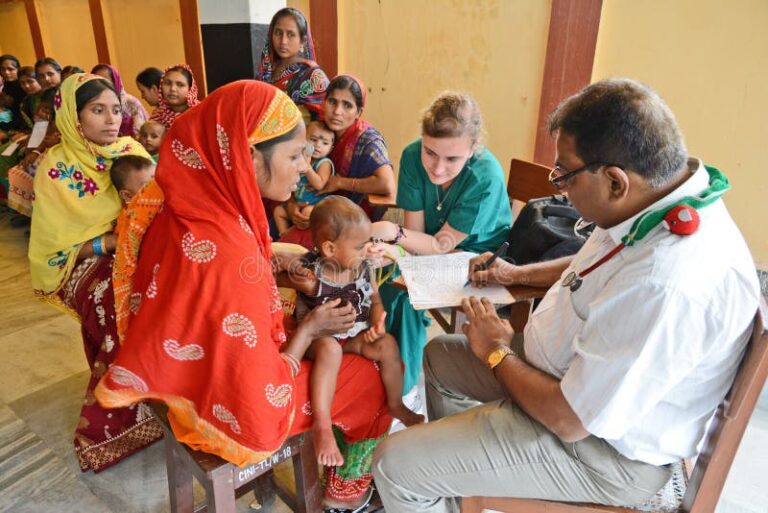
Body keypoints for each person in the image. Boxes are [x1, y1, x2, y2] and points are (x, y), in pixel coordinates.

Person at [372, 78, 762, 512]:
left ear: (614, 181)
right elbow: (595, 262)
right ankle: (452, 482)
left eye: (565, 175)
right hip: (561, 373)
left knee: (393, 464)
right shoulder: (655, 198)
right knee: (440, 357)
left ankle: (434, 479)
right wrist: (516, 273)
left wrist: (498, 352)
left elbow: (570, 419)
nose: (560, 188)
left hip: (600, 452)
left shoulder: (665, 282)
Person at [93, 80, 391, 512]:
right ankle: (346, 492)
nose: (303, 167)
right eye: (294, 156)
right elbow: (259, 387)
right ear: (247, 156)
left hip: (186, 377)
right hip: (228, 411)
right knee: (368, 375)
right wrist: (310, 328)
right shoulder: (229, 252)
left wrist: (270, 264)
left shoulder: (185, 199)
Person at [28, 74, 160, 472]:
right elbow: (57, 249)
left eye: (116, 110)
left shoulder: (131, 150)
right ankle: (116, 421)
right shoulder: (56, 168)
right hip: (84, 259)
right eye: (97, 110)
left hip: (137, 245)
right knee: (116, 301)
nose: (110, 119)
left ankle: (170, 389)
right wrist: (110, 243)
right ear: (74, 116)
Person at [369, 91, 512, 397]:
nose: (436, 168)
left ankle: (403, 387)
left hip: (477, 257)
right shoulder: (412, 156)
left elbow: (442, 246)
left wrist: (392, 234)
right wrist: (395, 249)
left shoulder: (485, 177)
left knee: (406, 291)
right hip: (431, 243)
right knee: (386, 276)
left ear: (473, 149)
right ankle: (378, 371)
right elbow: (416, 235)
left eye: (452, 159)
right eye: (430, 152)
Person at [289, 195, 423, 466]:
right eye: (360, 246)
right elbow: (282, 270)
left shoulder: (362, 267)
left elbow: (375, 300)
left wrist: (377, 323)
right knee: (329, 349)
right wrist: (287, 265)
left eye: (368, 243)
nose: (367, 251)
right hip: (319, 338)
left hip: (354, 335)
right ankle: (322, 425)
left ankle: (396, 404)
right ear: (329, 248)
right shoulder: (311, 274)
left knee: (387, 344)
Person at [280, 75, 396, 248]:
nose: (337, 111)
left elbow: (386, 184)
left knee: (290, 247)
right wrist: (291, 206)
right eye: (332, 102)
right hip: (311, 206)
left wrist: (340, 182)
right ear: (324, 102)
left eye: (347, 105)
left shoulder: (368, 140)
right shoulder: (317, 132)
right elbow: (295, 167)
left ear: (359, 112)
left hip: (350, 218)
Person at [256, 7, 329, 122]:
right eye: (278, 33)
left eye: (290, 34)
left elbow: (323, 120)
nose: (283, 41)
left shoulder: (312, 76)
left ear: (302, 41)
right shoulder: (265, 71)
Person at [274, 120, 335, 235]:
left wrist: (307, 167)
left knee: (307, 213)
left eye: (325, 143)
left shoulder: (324, 163)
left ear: (331, 148)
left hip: (315, 205)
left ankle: (293, 236)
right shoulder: (301, 159)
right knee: (278, 211)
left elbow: (319, 184)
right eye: (313, 140)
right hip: (297, 202)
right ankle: (285, 235)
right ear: (304, 140)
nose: (318, 145)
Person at [91, 63, 149, 138]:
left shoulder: (130, 103)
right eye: (97, 82)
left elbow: (141, 135)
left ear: (115, 82)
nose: (101, 86)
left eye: (106, 82)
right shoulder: (91, 105)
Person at [149, 64, 200, 129]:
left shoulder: (201, 112)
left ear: (190, 89)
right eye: (167, 83)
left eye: (180, 85)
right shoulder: (157, 116)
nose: (172, 89)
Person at [0, 54, 24, 126]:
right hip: (10, 123)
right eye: (3, 69)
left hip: (25, 125)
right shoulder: (5, 87)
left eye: (10, 69)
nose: (6, 72)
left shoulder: (25, 85)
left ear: (18, 69)